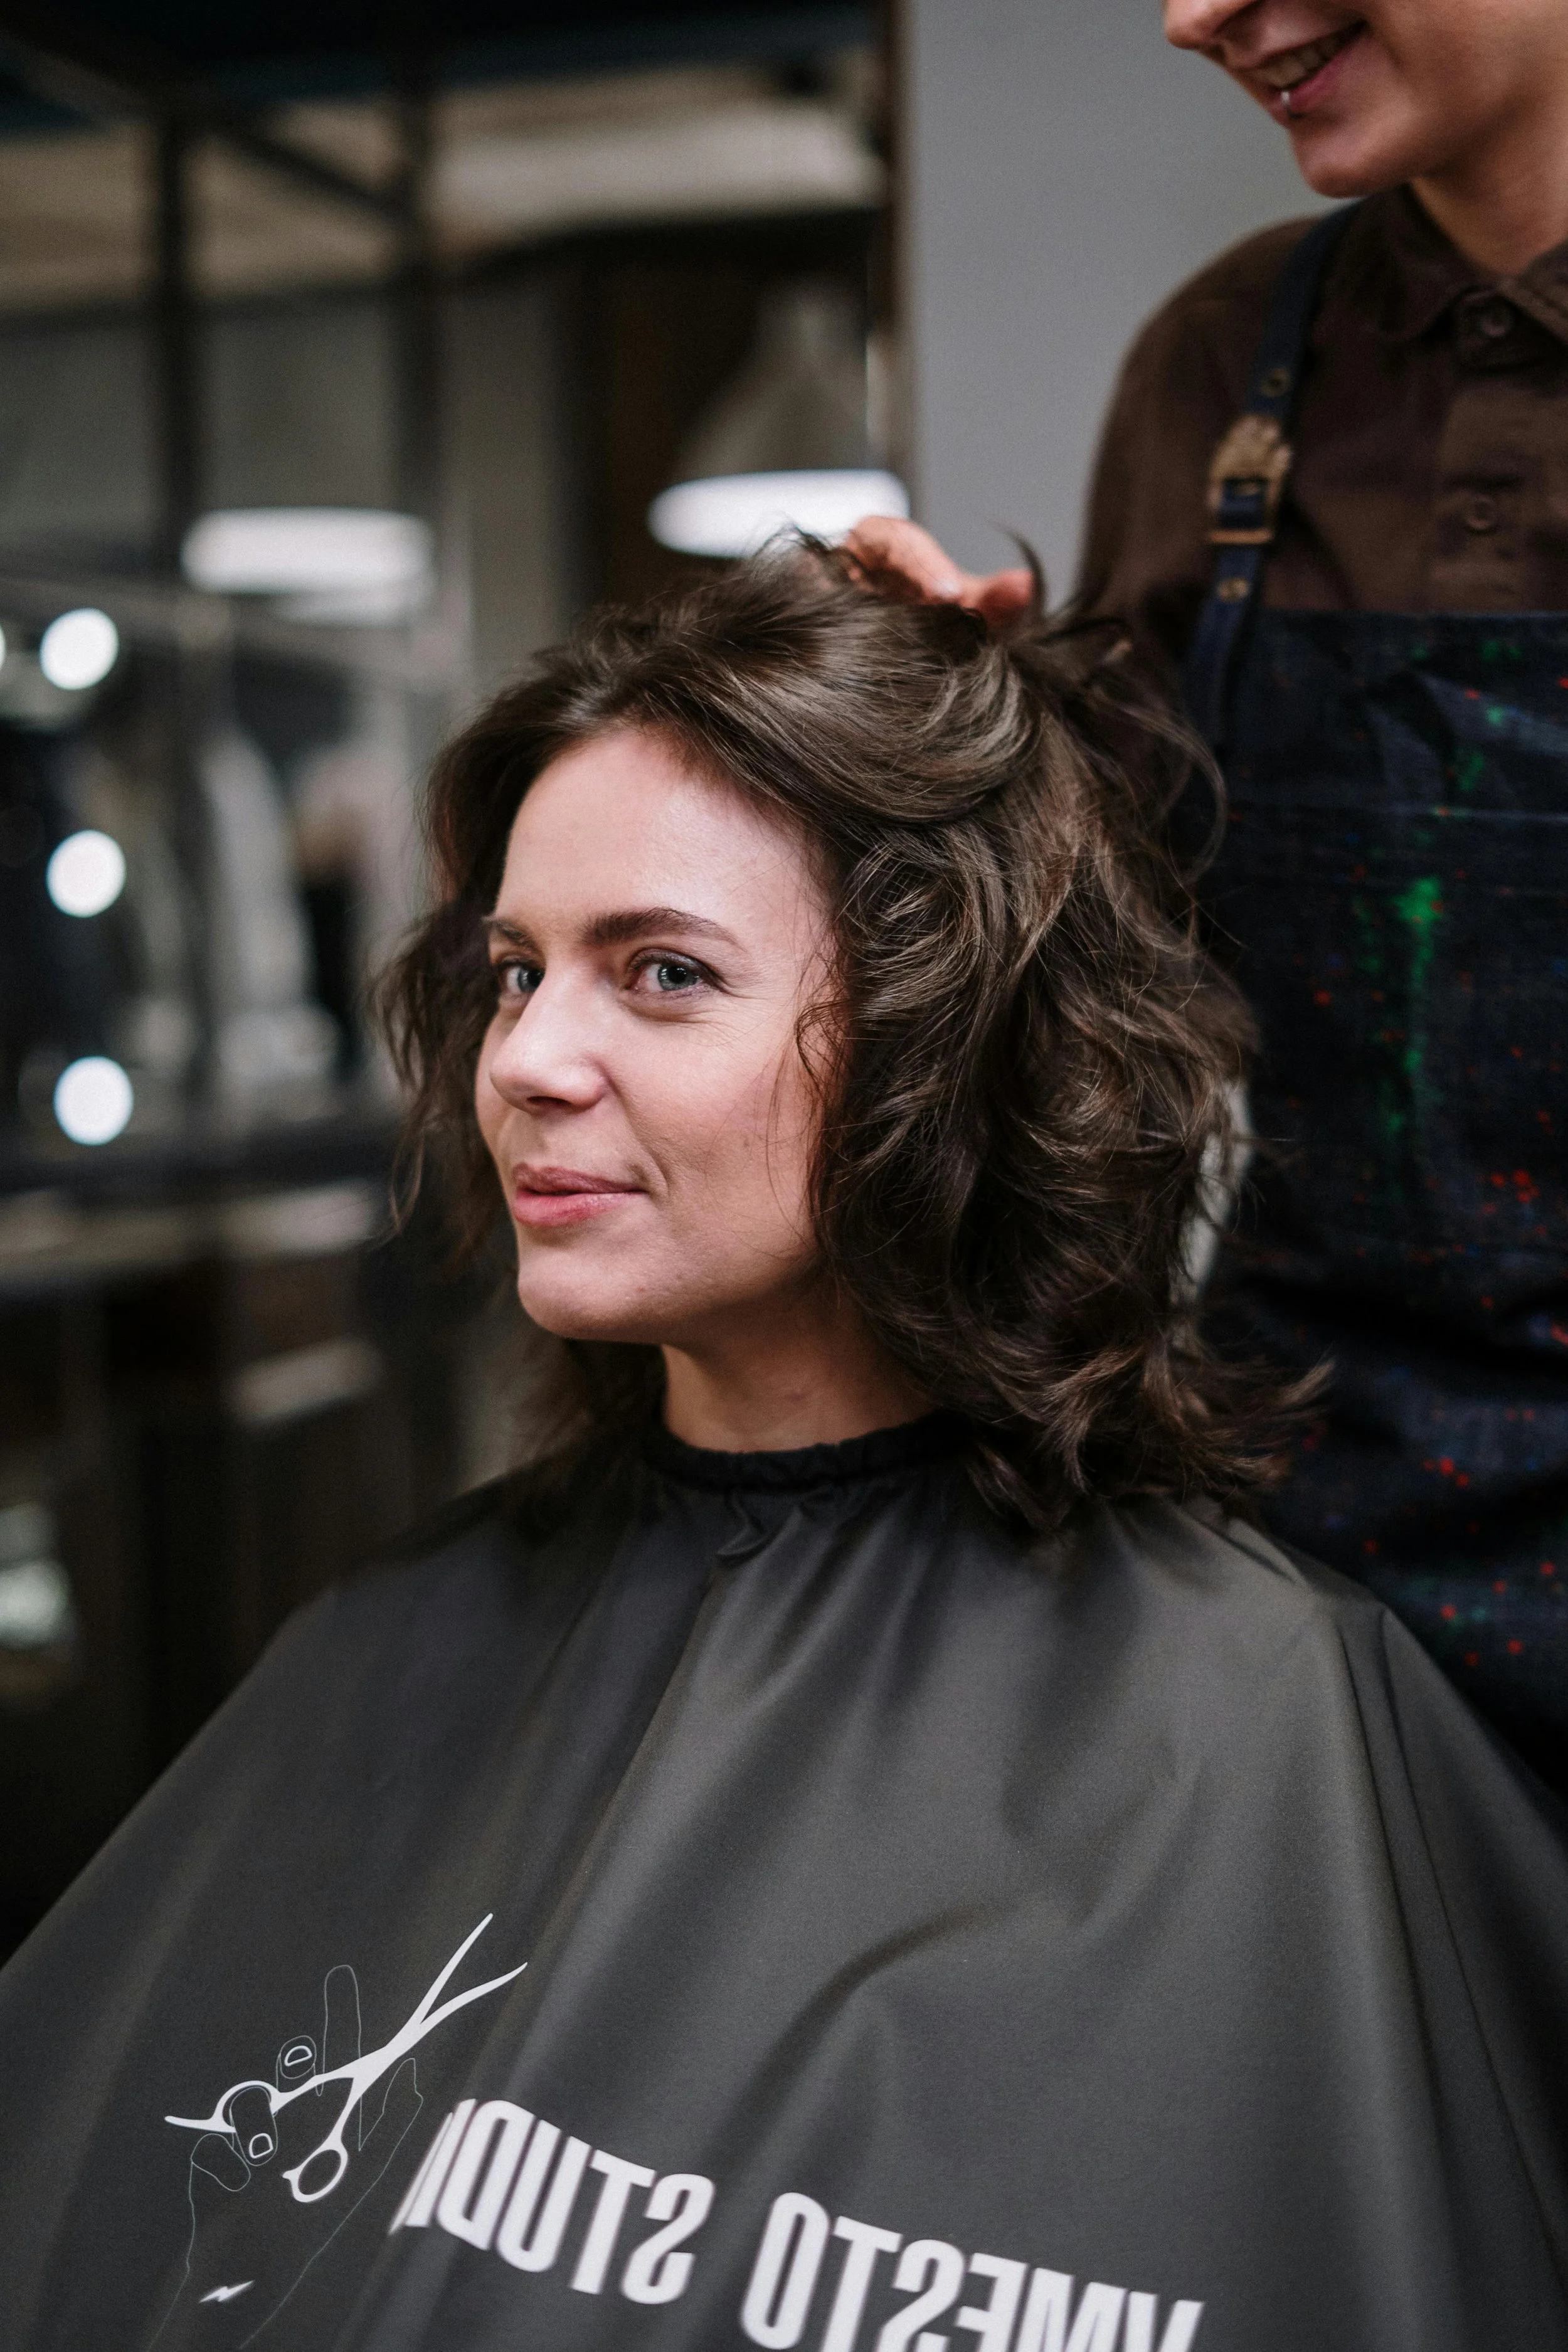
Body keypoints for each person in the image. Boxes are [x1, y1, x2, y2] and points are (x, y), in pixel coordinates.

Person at [1, 549, 1565, 2352]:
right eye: (514, 971)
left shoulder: (1258, 1718)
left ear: (938, 1037)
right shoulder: (388, 1648)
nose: (527, 1058)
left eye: (659, 971)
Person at [847, 0, 1568, 1794]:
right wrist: (958, 765)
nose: (1187, 19)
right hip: (1311, 1530)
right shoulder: (1228, 367)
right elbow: (1117, 964)